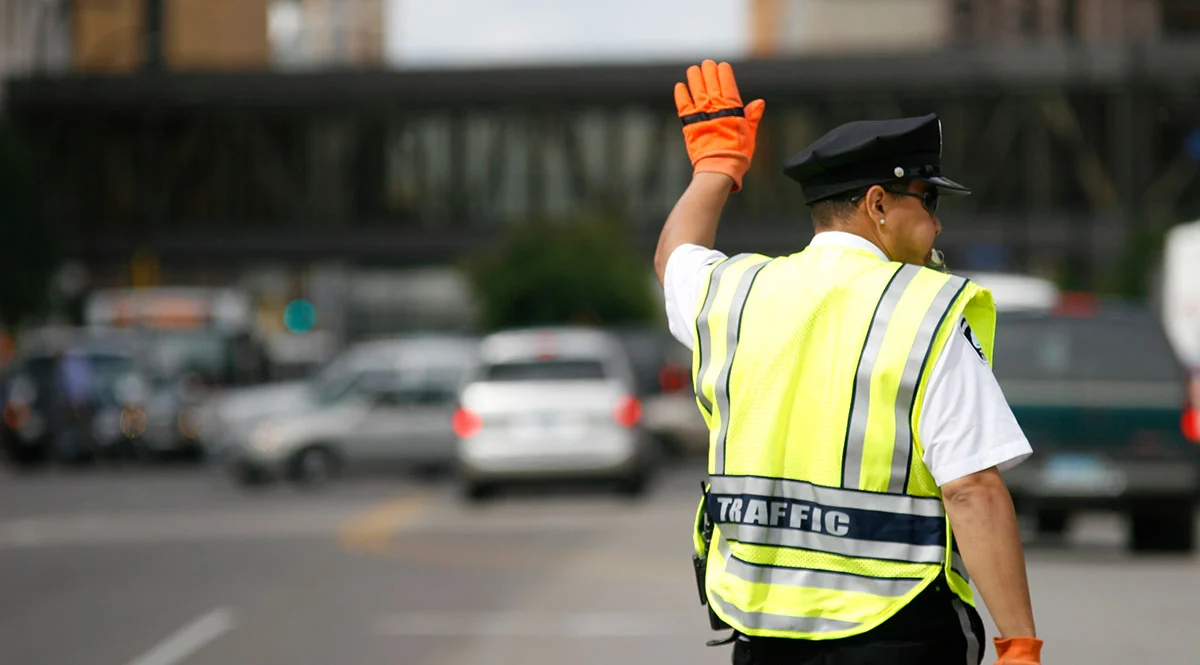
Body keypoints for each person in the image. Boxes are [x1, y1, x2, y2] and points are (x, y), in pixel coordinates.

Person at [657, 60, 1042, 665]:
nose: (938, 222)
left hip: (763, 638)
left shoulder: (734, 292)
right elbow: (971, 490)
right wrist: (1019, 644)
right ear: (878, 203)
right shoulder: (924, 309)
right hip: (896, 629)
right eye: (929, 198)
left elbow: (675, 257)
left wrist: (714, 170)